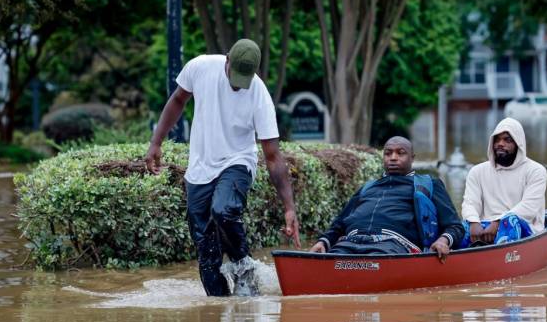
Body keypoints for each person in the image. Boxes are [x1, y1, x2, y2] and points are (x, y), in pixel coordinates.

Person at [145, 39, 300, 297]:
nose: (238, 85)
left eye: (244, 79)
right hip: (199, 170)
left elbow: (272, 156)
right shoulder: (200, 67)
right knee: (207, 258)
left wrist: (289, 207)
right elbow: (177, 100)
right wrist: (156, 142)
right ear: (226, 60)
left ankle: (244, 269)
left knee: (223, 210)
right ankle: (219, 317)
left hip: (237, 162)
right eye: (234, 76)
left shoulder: (259, 94)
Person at [308, 136, 464, 262]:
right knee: (332, 261)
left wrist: (443, 241)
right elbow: (339, 224)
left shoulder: (429, 184)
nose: (393, 158)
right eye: (388, 153)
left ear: (412, 158)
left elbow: (455, 226)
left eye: (400, 153)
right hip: (348, 243)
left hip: (393, 246)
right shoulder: (367, 188)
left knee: (368, 263)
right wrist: (323, 242)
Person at [460, 117, 547, 247]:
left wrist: (498, 222)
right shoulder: (477, 171)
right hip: (485, 227)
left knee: (510, 221)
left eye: (507, 140)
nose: (500, 143)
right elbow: (470, 203)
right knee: (459, 226)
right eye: (497, 139)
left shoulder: (536, 171)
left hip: (525, 228)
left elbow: (528, 208)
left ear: (518, 144)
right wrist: (473, 222)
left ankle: (500, 259)